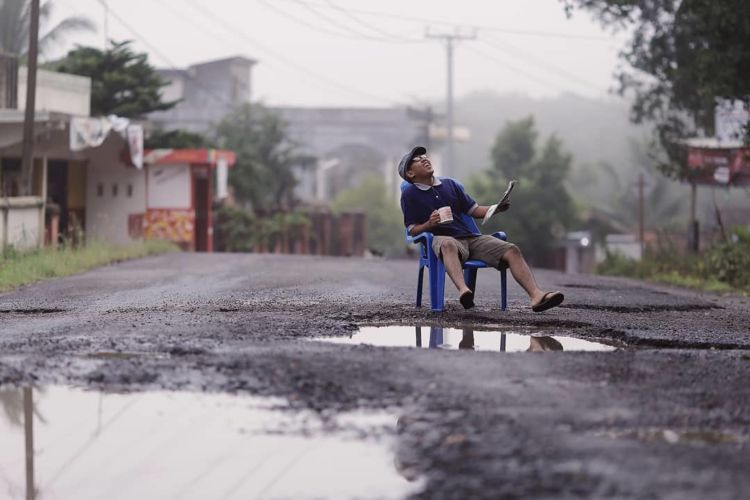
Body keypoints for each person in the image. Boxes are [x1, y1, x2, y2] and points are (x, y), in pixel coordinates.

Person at [398, 145, 564, 311]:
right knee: (448, 244)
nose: (424, 159)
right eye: (417, 160)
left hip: (470, 237)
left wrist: (496, 208)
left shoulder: (450, 185)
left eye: (425, 157)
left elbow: (474, 210)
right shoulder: (409, 194)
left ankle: (536, 296)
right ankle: (464, 291)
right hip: (441, 241)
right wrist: (429, 224)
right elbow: (412, 230)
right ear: (410, 173)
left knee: (512, 250)